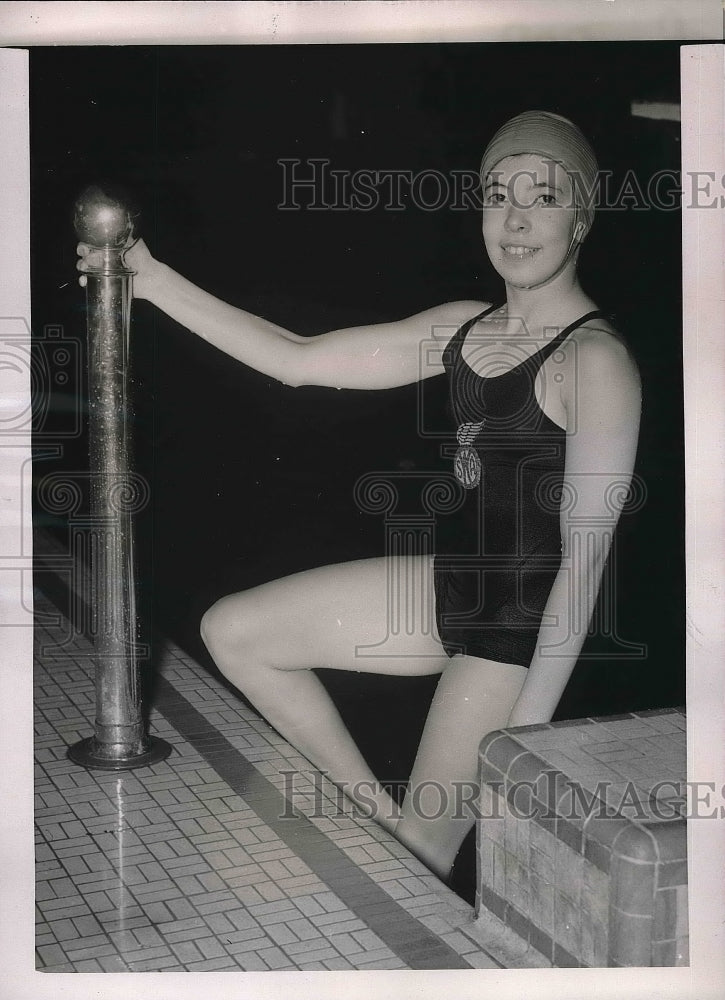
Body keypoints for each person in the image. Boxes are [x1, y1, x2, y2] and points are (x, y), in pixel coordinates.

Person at [77, 111, 641, 881]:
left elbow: (584, 560)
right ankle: (379, 827)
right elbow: (297, 360)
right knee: (238, 633)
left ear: (580, 217)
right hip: (453, 584)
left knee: (425, 855)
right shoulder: (460, 329)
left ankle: (405, 858)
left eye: (541, 198)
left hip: (513, 628)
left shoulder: (596, 361)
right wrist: (148, 278)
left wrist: (525, 738)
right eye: (496, 194)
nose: (513, 221)